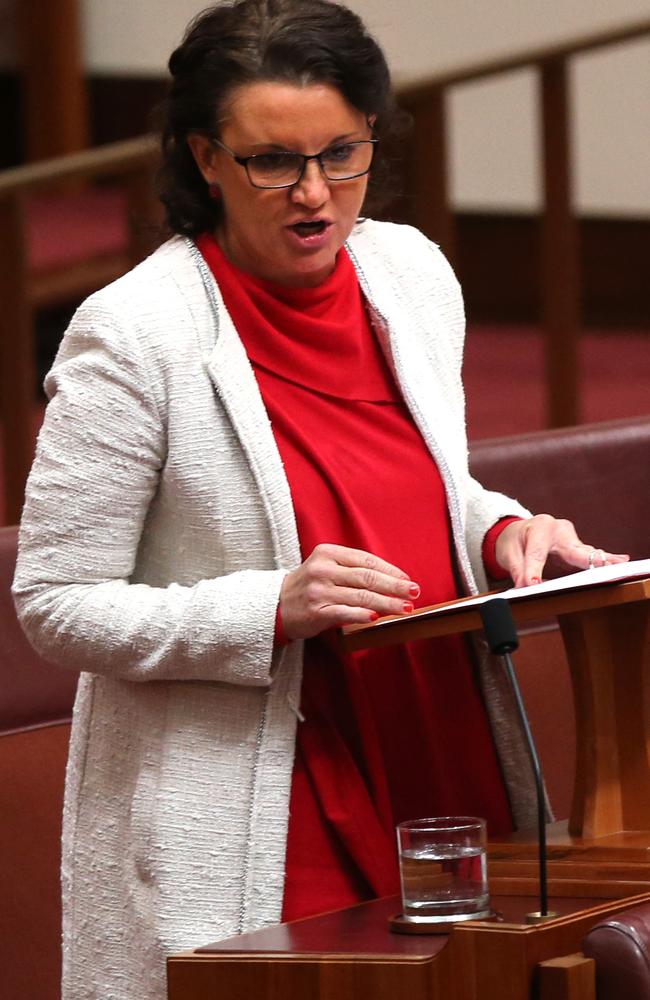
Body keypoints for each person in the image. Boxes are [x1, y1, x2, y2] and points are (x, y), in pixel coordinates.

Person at [13, 2, 627, 999]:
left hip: (436, 741)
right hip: (264, 785)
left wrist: (500, 526)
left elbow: (418, 481)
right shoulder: (132, 335)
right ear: (205, 158)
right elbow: (53, 602)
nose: (313, 193)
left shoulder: (409, 273)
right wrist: (266, 607)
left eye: (339, 153)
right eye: (271, 162)